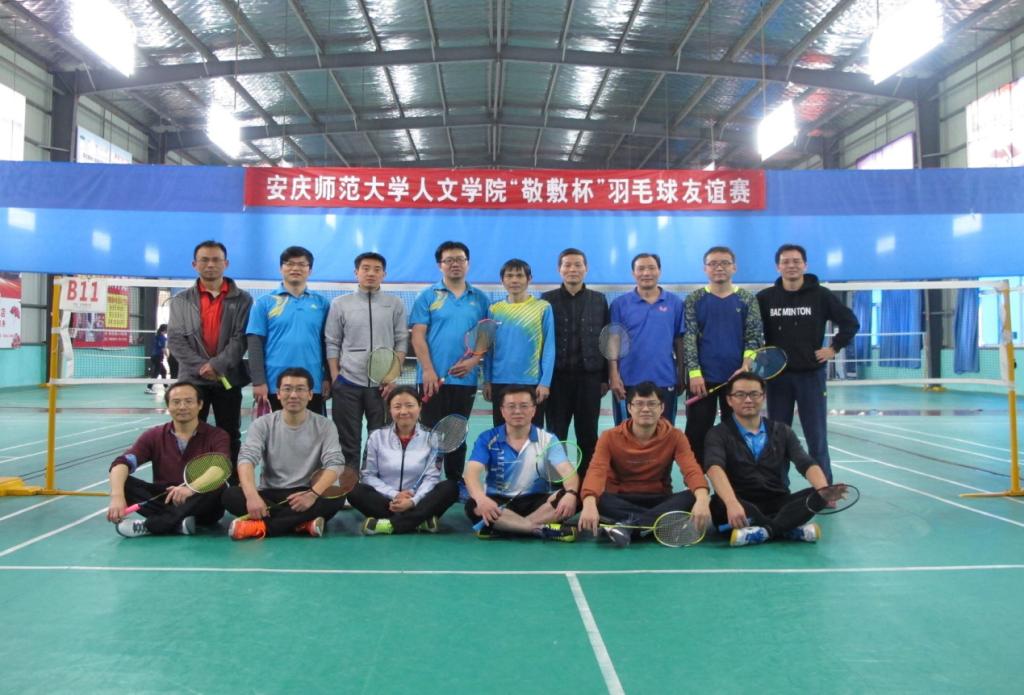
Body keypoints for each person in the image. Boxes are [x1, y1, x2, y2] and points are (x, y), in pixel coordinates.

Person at [756, 244, 859, 482]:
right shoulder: (765, 298)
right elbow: (749, 329)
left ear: (805, 265)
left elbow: (850, 322)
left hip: (811, 377)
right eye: (785, 261)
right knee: (776, 437)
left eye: (796, 261)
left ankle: (824, 490)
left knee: (816, 437)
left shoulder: (821, 296)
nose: (791, 265)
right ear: (778, 266)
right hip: (778, 378)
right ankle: (777, 488)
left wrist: (833, 348)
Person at [702, 372, 831, 546]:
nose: (748, 400)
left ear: (763, 397)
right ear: (729, 400)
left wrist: (824, 489)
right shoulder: (717, 434)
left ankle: (765, 531)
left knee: (817, 495)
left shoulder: (782, 431)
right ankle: (787, 527)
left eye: (754, 394)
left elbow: (805, 463)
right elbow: (714, 468)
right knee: (718, 504)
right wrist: (731, 503)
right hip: (740, 503)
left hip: (778, 501)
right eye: (740, 394)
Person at [578, 381, 711, 548]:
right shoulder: (609, 437)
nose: (646, 409)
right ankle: (655, 524)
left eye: (652, 404)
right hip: (621, 498)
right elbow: (596, 471)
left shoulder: (675, 436)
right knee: (596, 498)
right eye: (639, 404)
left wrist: (702, 498)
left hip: (658, 498)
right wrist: (589, 502)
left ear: (662, 408)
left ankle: (628, 527)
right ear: (629, 408)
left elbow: (691, 469)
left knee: (692, 496)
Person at [224, 368, 348, 539]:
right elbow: (246, 459)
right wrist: (252, 496)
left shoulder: (325, 426)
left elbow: (336, 463)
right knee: (230, 495)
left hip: (306, 492)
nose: (293, 395)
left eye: (300, 389)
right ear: (278, 394)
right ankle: (302, 524)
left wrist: (312, 494)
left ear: (310, 395)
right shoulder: (262, 424)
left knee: (337, 494)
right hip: (271, 493)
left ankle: (264, 526)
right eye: (287, 389)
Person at [409, 241, 490, 482]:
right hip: (431, 379)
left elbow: (485, 337)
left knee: (457, 433)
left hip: (465, 380)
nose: (455, 264)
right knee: (428, 434)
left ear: (467, 263)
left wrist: (474, 361)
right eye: (449, 260)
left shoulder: (480, 298)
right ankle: (426, 481)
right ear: (440, 265)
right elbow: (418, 335)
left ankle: (455, 482)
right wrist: (428, 370)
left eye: (460, 259)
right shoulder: (427, 296)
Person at [167, 240, 253, 467]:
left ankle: (232, 482)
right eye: (204, 260)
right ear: (194, 264)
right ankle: (188, 482)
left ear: (226, 263)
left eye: (216, 260)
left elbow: (240, 338)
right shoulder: (181, 300)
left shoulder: (243, 299)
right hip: (192, 381)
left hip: (227, 379)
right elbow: (175, 340)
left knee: (229, 434)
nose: (210, 264)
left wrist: (217, 366)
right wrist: (201, 367)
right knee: (189, 434)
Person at [107, 381, 229, 537]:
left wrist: (190, 489)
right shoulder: (154, 435)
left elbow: (221, 467)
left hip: (200, 503)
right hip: (165, 498)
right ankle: (177, 524)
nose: (182, 407)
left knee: (218, 486)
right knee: (123, 482)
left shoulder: (217, 435)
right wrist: (117, 496)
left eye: (188, 401)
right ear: (168, 406)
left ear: (200, 405)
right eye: (176, 402)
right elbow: (121, 463)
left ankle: (152, 526)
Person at [325, 252, 409, 468]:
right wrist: (336, 377)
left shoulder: (395, 304)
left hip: (382, 386)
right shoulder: (340, 303)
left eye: (377, 269)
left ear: (384, 274)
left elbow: (401, 341)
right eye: (365, 268)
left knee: (380, 441)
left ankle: (373, 482)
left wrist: (392, 376)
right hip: (347, 383)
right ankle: (350, 482)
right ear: (356, 272)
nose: (371, 273)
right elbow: (332, 342)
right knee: (347, 441)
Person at [464, 386, 579, 541]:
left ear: (533, 410)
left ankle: (505, 527)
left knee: (574, 497)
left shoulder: (548, 439)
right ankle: (538, 529)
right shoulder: (487, 438)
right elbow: (471, 472)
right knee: (474, 505)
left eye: (524, 406)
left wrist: (571, 493)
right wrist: (481, 498)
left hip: (537, 503)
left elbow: (567, 470)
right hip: (499, 502)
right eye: (511, 406)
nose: (517, 411)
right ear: (502, 411)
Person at [683, 246, 763, 465]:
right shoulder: (694, 299)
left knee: (736, 436)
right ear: (705, 269)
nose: (719, 268)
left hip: (737, 381)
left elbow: (754, 335)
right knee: (696, 435)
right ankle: (697, 483)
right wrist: (694, 373)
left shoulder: (747, 299)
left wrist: (746, 365)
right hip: (702, 381)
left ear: (734, 267)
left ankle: (734, 483)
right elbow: (689, 338)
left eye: (725, 263)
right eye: (713, 264)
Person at [348, 386, 460, 535]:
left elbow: (432, 477)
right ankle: (419, 521)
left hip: (419, 500)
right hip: (387, 501)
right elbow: (368, 475)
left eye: (409, 405)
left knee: (451, 488)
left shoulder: (433, 438)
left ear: (420, 407)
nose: (404, 411)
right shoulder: (376, 437)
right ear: (390, 410)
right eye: (397, 406)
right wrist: (394, 494)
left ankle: (390, 524)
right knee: (354, 490)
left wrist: (413, 501)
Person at [541, 248, 609, 482]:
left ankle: (587, 485)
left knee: (588, 434)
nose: (572, 269)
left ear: (586, 268)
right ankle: (556, 484)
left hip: (589, 380)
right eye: (567, 265)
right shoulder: (546, 300)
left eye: (578, 264)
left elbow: (606, 341)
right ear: (559, 269)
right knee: (555, 434)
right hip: (556, 380)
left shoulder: (599, 300)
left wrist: (604, 378)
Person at [247, 246, 331, 413]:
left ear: (310, 270)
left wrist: (327, 377)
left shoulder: (322, 303)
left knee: (312, 429)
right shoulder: (264, 302)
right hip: (275, 384)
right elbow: (255, 345)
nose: (295, 268)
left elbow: (327, 343)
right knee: (276, 429)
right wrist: (258, 381)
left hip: (312, 383)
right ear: (281, 268)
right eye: (289, 264)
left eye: (302, 264)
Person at [608, 253, 685, 426]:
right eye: (641, 268)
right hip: (628, 381)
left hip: (665, 379)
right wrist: (613, 375)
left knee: (664, 432)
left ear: (659, 271)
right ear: (633, 273)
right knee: (626, 433)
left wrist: (681, 374)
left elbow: (679, 341)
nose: (646, 273)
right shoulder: (619, 304)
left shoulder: (675, 303)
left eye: (651, 268)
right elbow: (613, 342)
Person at [483, 259, 555, 427]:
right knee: (501, 432)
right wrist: (487, 380)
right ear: (502, 280)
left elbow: (549, 348)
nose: (514, 280)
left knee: (533, 433)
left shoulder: (543, 307)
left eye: (519, 275)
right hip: (500, 381)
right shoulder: (494, 309)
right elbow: (488, 349)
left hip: (532, 381)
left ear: (529, 279)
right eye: (509, 276)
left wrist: (545, 382)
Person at [144, 324, 169, 394]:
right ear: (165, 330)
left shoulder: (157, 336)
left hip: (154, 356)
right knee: (156, 373)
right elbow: (163, 349)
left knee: (163, 371)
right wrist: (167, 356)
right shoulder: (162, 338)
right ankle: (148, 388)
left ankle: (166, 387)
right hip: (158, 357)